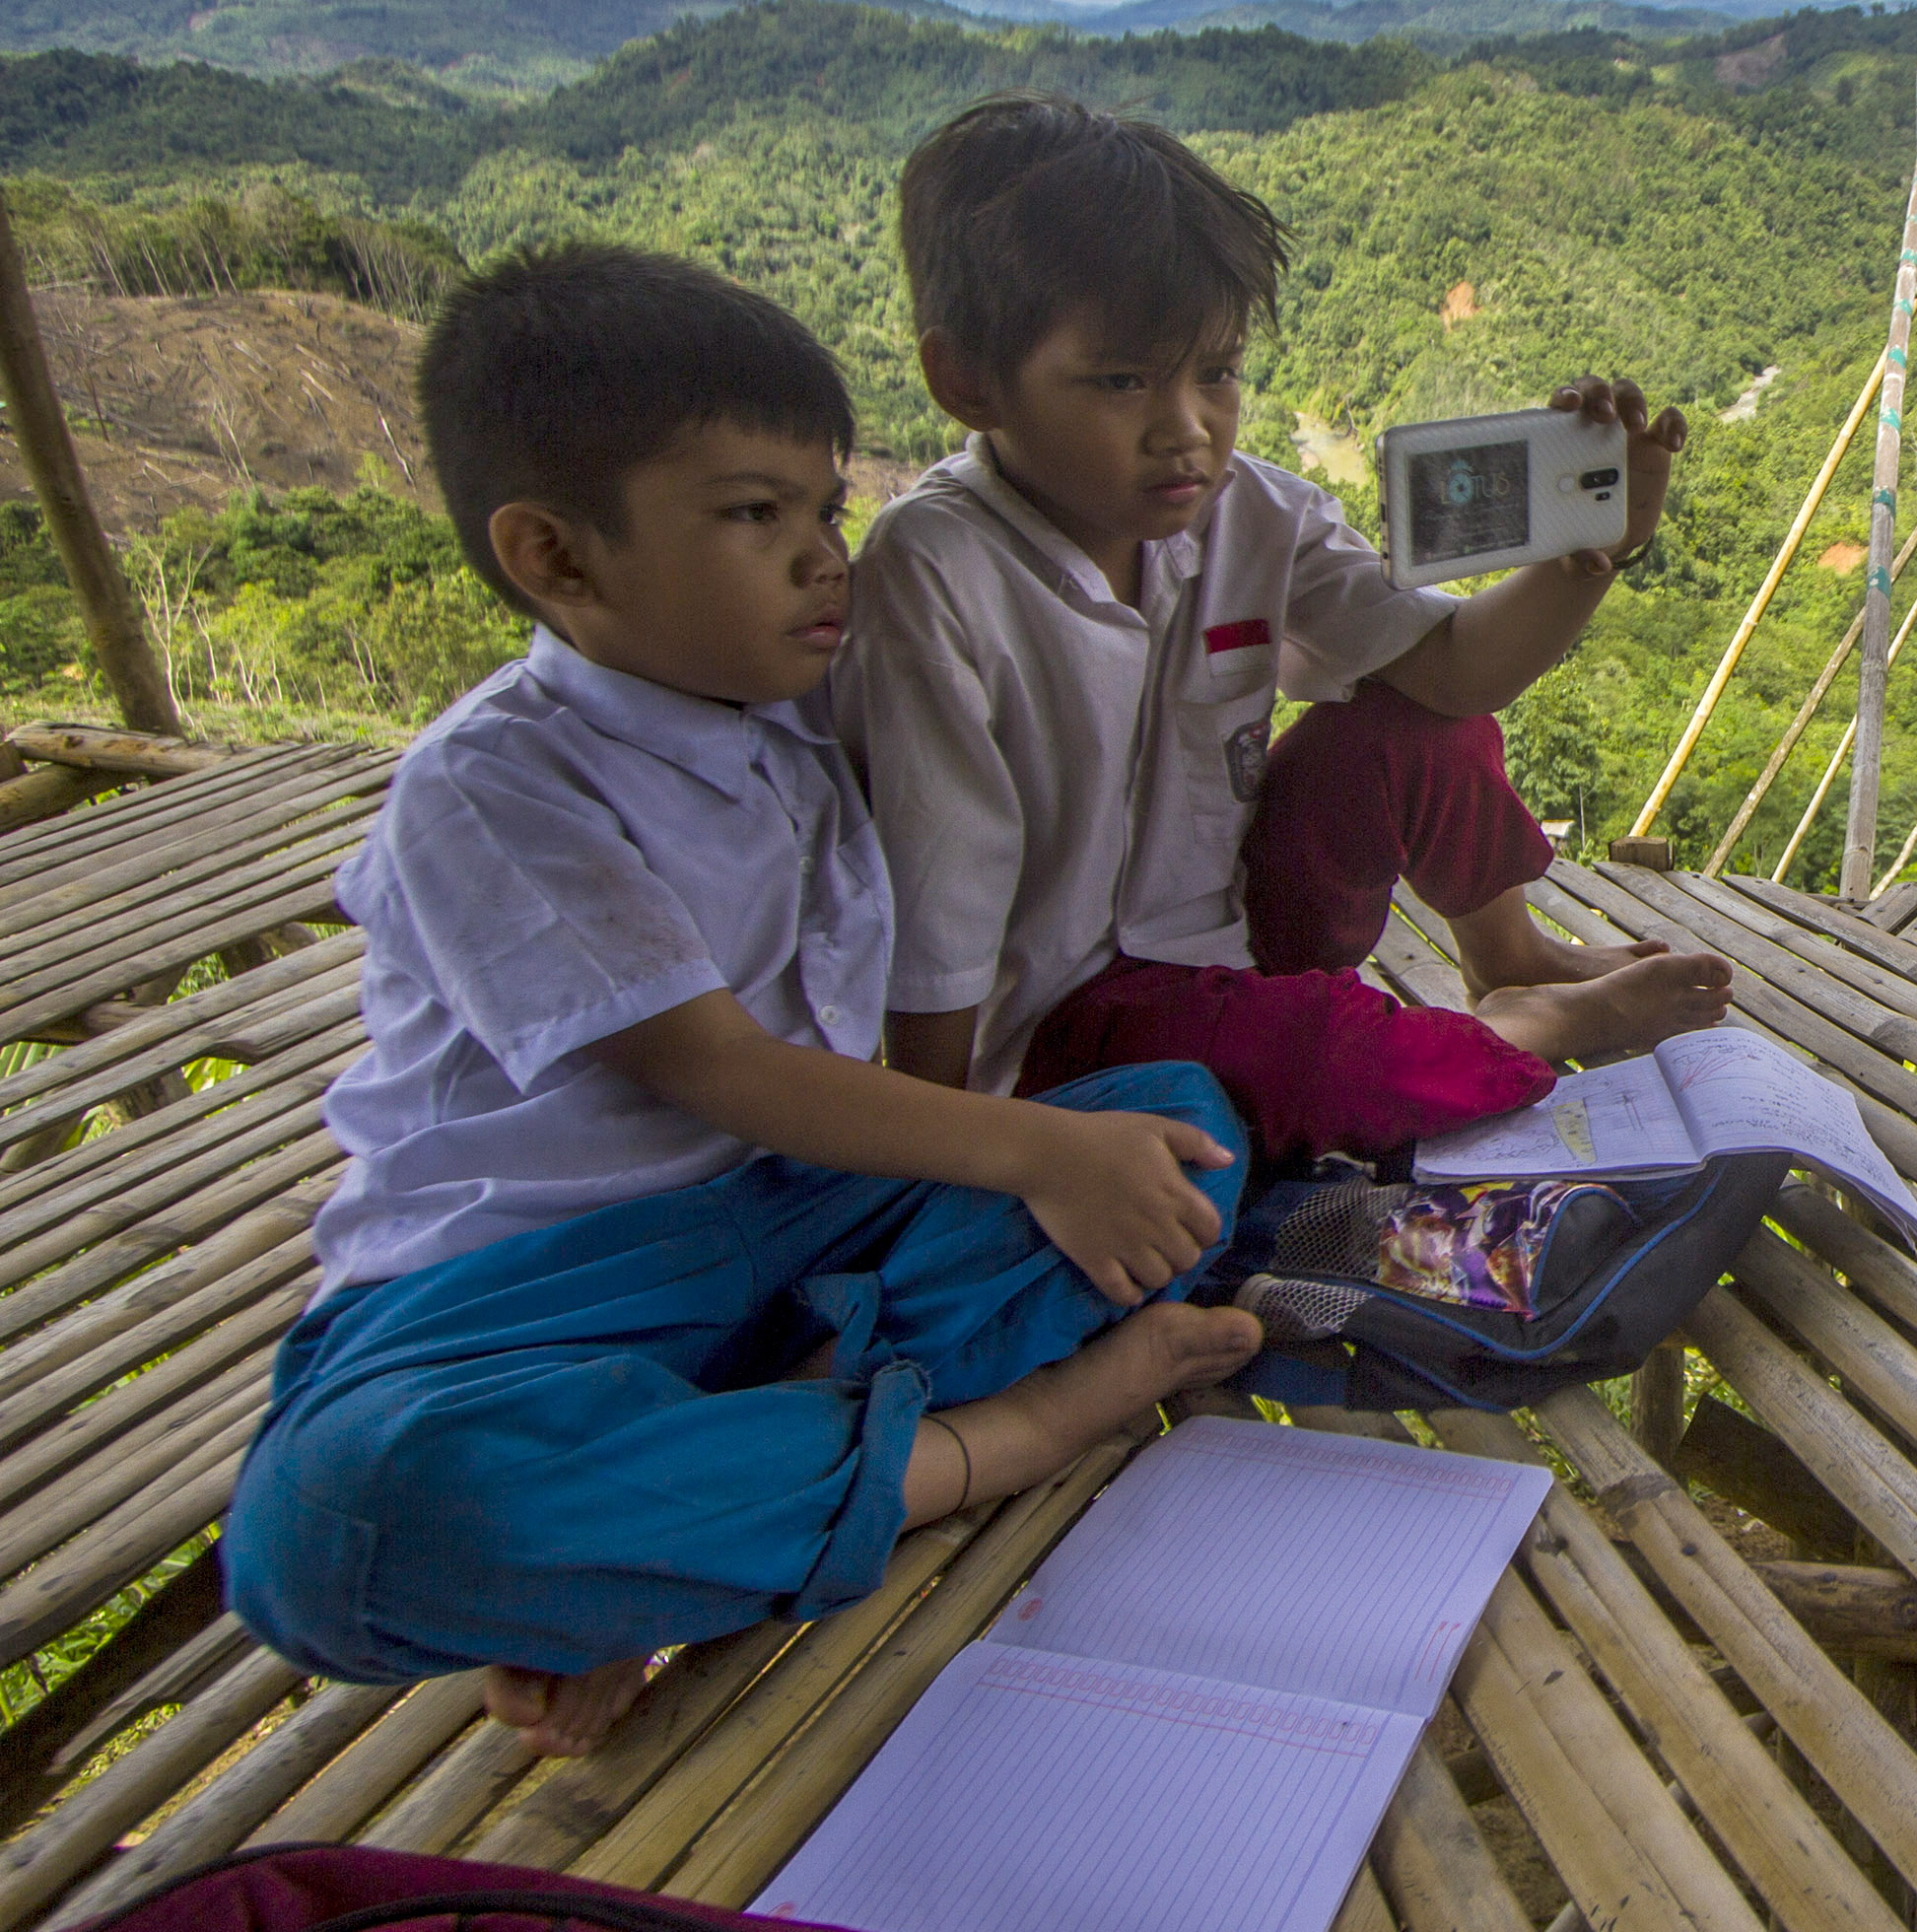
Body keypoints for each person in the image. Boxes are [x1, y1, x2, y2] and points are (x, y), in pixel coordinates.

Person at [227, 246, 1266, 1759]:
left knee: (1178, 1134)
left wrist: (1070, 1144)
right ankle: (997, 1437)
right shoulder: (495, 781)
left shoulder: (786, 721)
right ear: (557, 557)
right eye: (753, 515)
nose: (822, 558)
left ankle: (699, 1526)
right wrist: (1030, 1148)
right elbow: (715, 1067)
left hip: (798, 1232)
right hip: (533, 1299)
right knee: (339, 1522)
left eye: (826, 511)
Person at [833, 98, 1731, 1163]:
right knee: (1323, 1064)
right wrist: (947, 1140)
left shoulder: (1255, 513)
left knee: (1416, 724)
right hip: (1069, 1030)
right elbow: (942, 897)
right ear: (966, 381)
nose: (1187, 428)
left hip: (1241, 937)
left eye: (1215, 372)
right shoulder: (935, 571)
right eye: (1122, 381)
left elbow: (1455, 671)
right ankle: (1519, 1030)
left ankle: (1511, 955)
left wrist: (1591, 556)